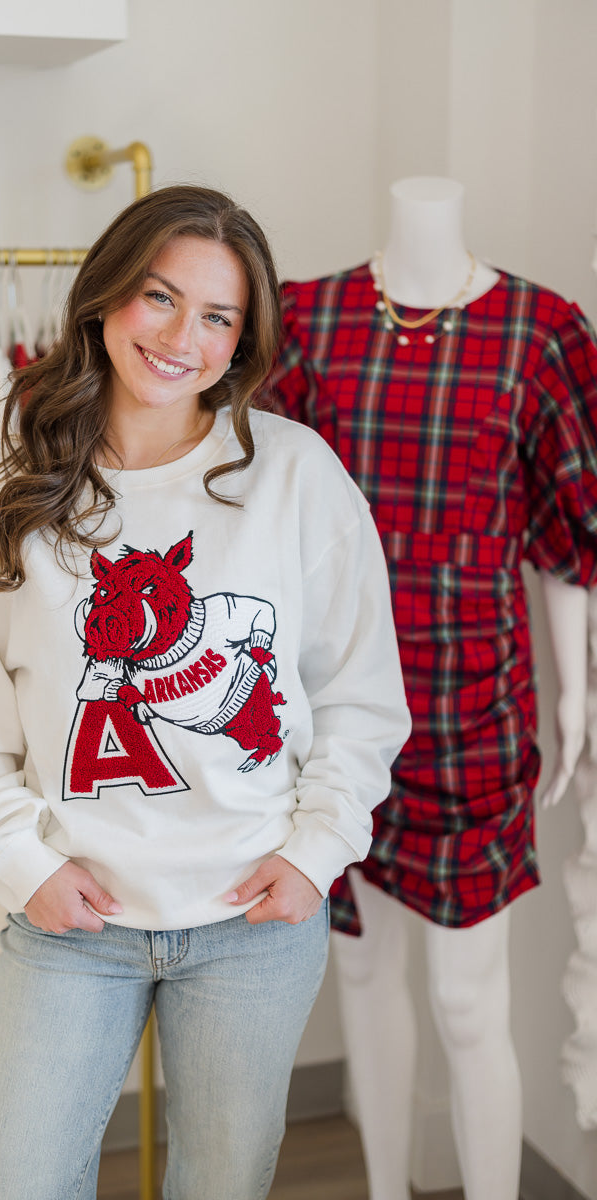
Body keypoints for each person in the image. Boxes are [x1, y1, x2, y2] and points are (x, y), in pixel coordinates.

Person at [0, 184, 410, 1200]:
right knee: (14, 1181)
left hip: (251, 923)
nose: (183, 337)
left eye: (218, 316)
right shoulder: (4, 482)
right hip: (71, 924)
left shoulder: (295, 476)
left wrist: (314, 853)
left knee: (222, 1184)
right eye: (159, 297)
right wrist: (22, 861)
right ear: (105, 296)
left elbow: (359, 696)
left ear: (243, 340)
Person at [264, 175, 597, 1200]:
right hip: (336, 705)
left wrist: (572, 693)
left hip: (472, 707)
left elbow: (568, 528)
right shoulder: (307, 320)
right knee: (363, 974)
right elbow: (266, 512)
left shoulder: (541, 332)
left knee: (467, 1000)